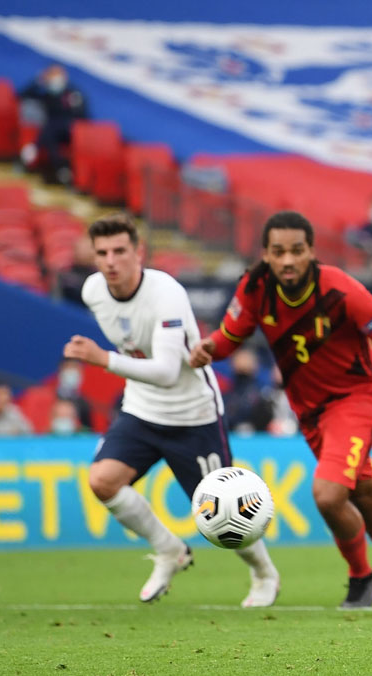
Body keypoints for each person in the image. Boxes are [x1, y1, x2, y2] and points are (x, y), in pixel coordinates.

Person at [190, 210, 372, 608]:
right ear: (267, 255)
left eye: (297, 250)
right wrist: (210, 348)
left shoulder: (342, 291)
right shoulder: (255, 286)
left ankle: (361, 579)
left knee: (328, 495)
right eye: (279, 252)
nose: (288, 260)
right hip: (308, 409)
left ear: (311, 251)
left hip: (356, 397)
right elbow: (229, 337)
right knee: (363, 493)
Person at [62, 213, 280, 607]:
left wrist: (103, 359)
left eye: (119, 251)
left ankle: (265, 573)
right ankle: (169, 549)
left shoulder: (167, 294)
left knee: (224, 516)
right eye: (102, 253)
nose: (110, 261)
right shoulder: (94, 290)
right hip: (142, 410)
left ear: (139, 252)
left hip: (192, 414)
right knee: (102, 481)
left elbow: (165, 371)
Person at [19, 63, 88, 185]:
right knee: (50, 136)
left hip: (71, 130)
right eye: (52, 77)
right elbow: (22, 95)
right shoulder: (47, 96)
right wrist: (38, 81)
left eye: (57, 76)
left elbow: (83, 114)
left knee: (52, 126)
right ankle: (61, 169)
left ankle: (35, 147)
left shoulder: (73, 93)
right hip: (54, 133)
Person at [223, 347, 274, 434]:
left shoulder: (262, 394)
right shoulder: (228, 395)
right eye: (241, 358)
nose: (243, 362)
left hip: (258, 438)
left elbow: (265, 419)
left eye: (247, 359)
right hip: (232, 436)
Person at [54, 358, 92, 429]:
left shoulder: (84, 404)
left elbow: (89, 432)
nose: (71, 372)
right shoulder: (50, 398)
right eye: (68, 367)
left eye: (75, 367)